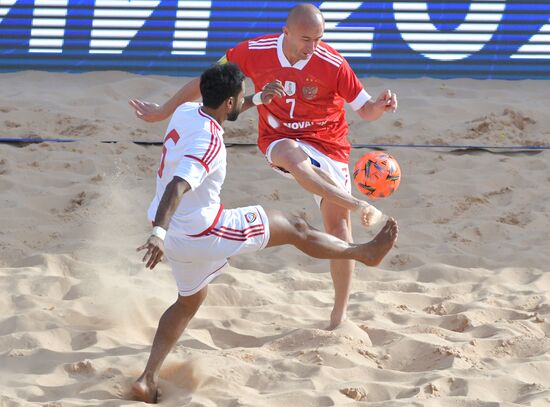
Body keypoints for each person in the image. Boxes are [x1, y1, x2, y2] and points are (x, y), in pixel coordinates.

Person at [132, 62, 398, 403]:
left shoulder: (187, 111)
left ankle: (147, 378)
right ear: (228, 102)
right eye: (241, 96)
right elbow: (178, 185)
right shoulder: (209, 142)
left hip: (178, 238)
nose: (243, 100)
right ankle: (364, 253)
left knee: (188, 302)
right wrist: (158, 233)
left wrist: (257, 98)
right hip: (201, 229)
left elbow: (228, 109)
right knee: (295, 227)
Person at [129, 3, 398, 329]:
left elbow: (365, 110)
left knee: (339, 229)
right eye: (305, 39)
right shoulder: (253, 51)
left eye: (319, 38)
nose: (312, 47)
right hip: (280, 138)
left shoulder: (332, 62)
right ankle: (356, 202)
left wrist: (380, 105)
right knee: (290, 155)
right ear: (285, 32)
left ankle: (338, 319)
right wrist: (162, 111)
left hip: (330, 144)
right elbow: (209, 82)